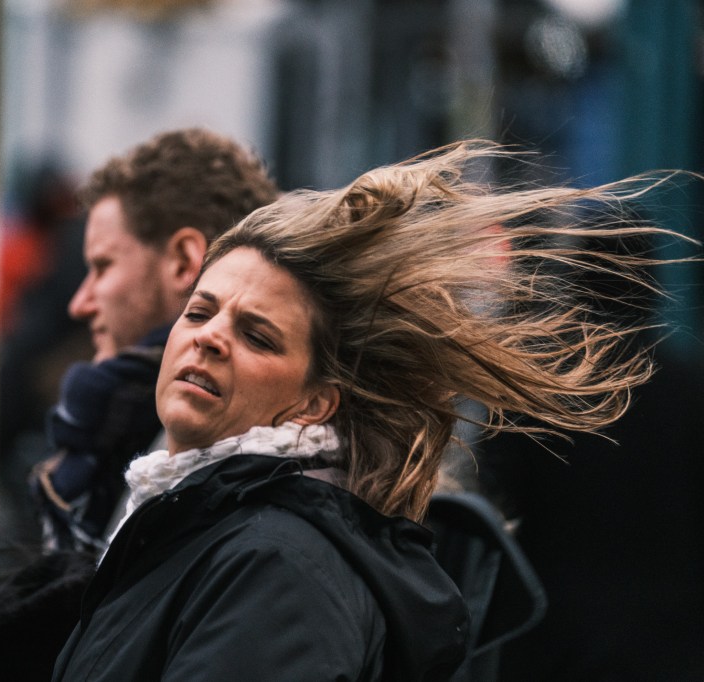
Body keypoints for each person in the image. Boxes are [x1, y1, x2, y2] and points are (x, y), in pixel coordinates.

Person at [50, 140, 696, 681]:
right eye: (200, 310)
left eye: (258, 335)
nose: (210, 335)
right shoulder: (180, 520)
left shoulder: (277, 566)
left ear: (315, 404)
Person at [30, 127, 280, 553]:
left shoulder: (189, 445)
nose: (80, 302)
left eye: (102, 266)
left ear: (185, 261)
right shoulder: (127, 427)